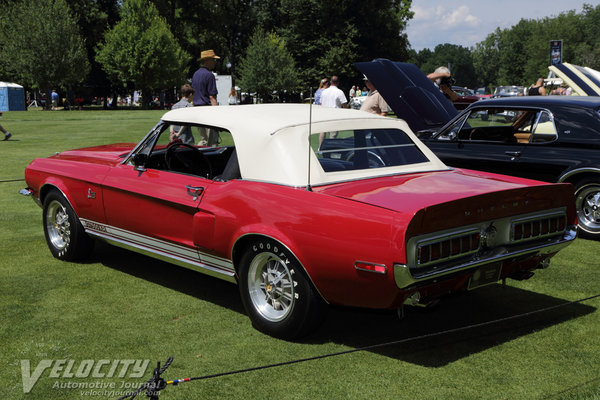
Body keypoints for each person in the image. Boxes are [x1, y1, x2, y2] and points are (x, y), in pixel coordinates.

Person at [192, 49, 221, 145]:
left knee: (204, 140)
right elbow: (212, 97)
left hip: (197, 111)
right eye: (213, 60)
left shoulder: (195, 74)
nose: (215, 62)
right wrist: (217, 114)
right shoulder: (209, 75)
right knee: (212, 142)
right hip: (207, 111)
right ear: (207, 60)